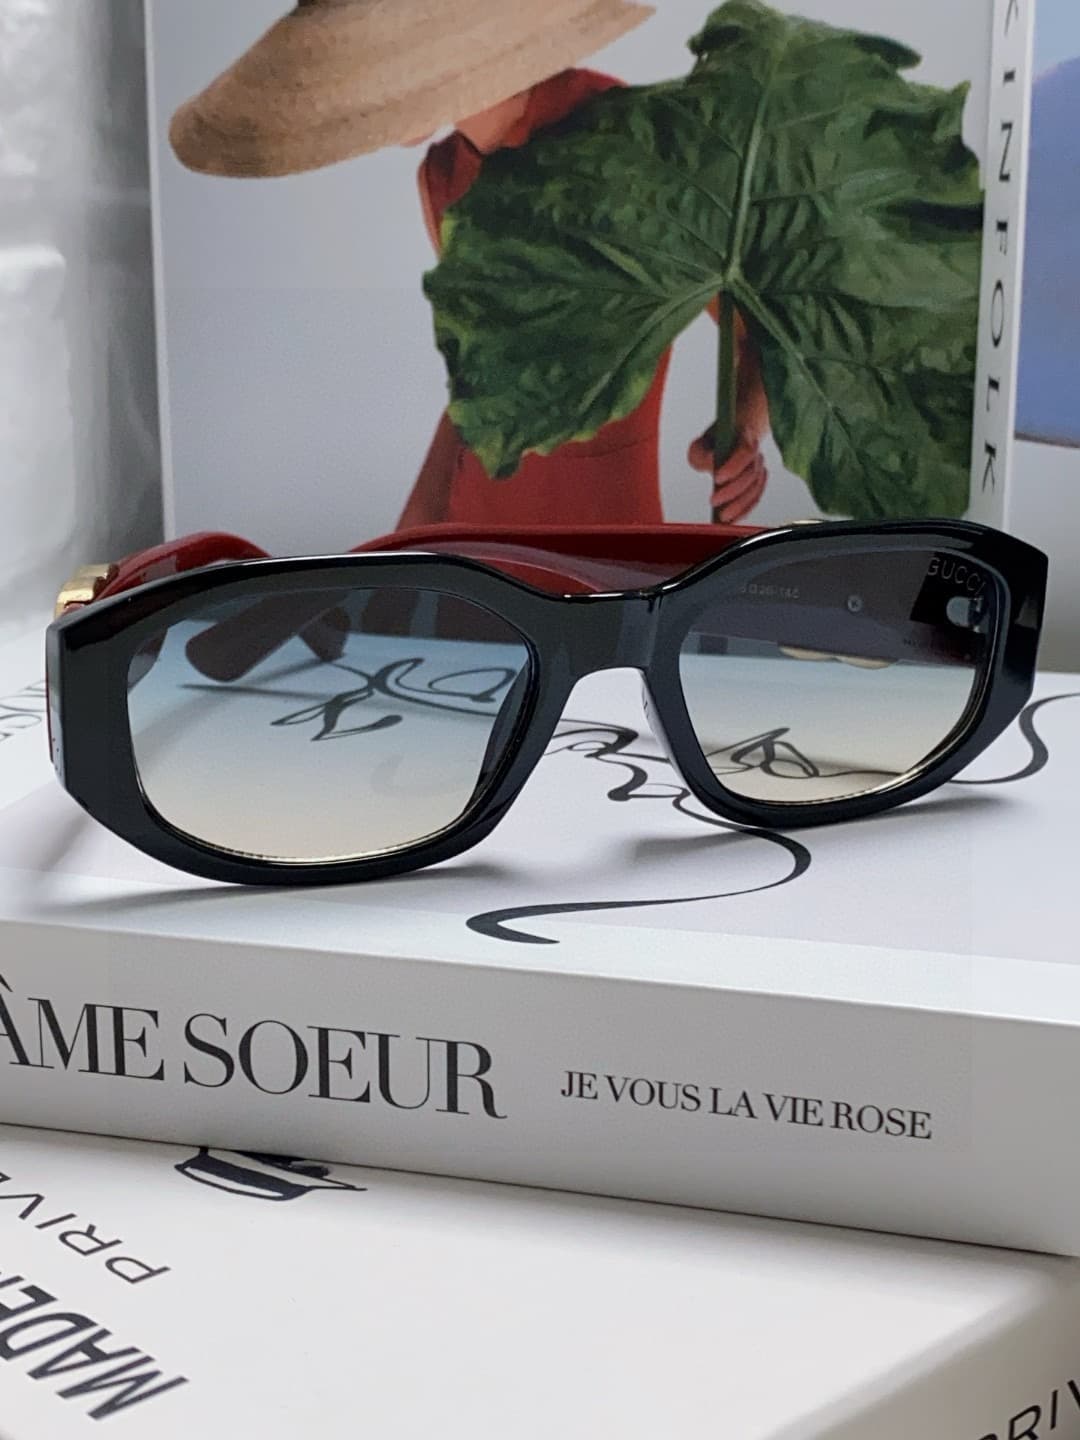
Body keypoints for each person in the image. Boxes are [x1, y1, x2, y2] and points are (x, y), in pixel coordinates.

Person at [170, 0, 770, 525]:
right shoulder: (442, 177)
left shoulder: (635, 150)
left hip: (604, 548)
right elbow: (478, 393)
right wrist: (406, 549)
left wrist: (744, 429)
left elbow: (762, 327)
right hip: (473, 548)